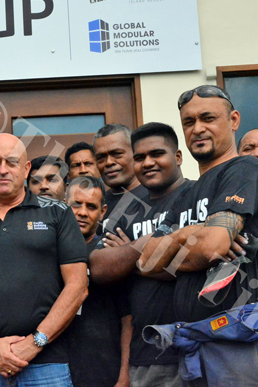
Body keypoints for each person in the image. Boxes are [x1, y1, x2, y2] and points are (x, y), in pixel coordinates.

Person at [138, 85, 258, 386]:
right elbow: (145, 262)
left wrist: (177, 249)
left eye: (208, 118)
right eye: (189, 121)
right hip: (197, 345)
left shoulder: (246, 169)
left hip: (244, 345)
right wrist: (191, 232)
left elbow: (213, 246)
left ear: (234, 120)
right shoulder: (186, 193)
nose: (198, 128)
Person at [0, 133, 88, 386]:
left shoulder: (57, 212)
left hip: (46, 364)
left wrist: (34, 343)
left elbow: (77, 287)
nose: (3, 170)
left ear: (26, 167)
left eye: (11, 162)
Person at [90, 122, 192, 387]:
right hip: (144, 354)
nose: (148, 163)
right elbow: (99, 268)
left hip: (196, 346)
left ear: (178, 157)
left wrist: (128, 257)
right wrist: (145, 246)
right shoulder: (125, 209)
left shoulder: (195, 195)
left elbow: (193, 264)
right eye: (140, 158)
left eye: (156, 154)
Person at [64, 176, 131, 387]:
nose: (82, 212)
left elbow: (128, 319)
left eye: (91, 206)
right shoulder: (46, 251)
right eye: (76, 204)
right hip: (53, 371)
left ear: (102, 212)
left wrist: (124, 376)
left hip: (103, 372)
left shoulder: (112, 254)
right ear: (64, 204)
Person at [93, 124, 148, 232]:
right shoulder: (96, 206)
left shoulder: (157, 195)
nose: (108, 162)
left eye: (117, 154)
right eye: (101, 157)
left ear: (135, 153)